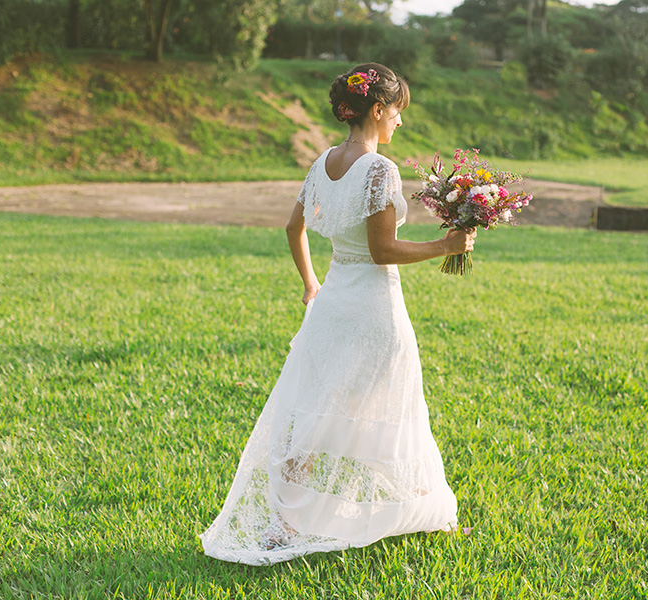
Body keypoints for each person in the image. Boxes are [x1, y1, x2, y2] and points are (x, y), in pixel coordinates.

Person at [199, 63, 476, 566]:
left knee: (315, 410)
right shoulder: (379, 170)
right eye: (396, 112)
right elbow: (382, 251)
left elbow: (292, 227)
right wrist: (447, 244)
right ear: (376, 110)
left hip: (330, 307)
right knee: (393, 408)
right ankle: (414, 509)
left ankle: (289, 520)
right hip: (373, 309)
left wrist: (311, 286)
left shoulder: (323, 161)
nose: (399, 123)